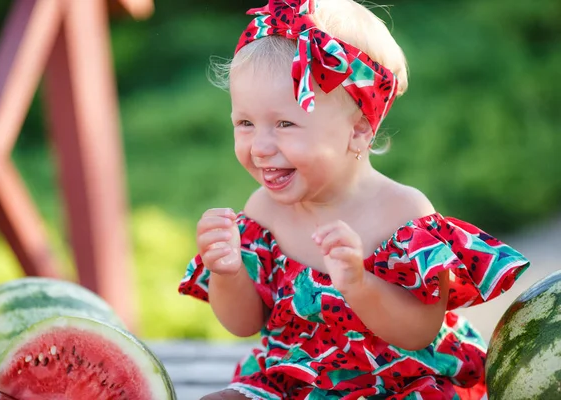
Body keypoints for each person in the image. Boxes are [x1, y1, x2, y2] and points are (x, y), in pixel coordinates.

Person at [178, 0, 530, 398]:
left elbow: (418, 332)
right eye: (245, 123)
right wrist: (227, 273)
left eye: (285, 124)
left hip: (398, 381)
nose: (259, 146)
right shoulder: (262, 212)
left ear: (359, 130)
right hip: (291, 378)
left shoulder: (404, 215)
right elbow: (245, 324)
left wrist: (360, 286)